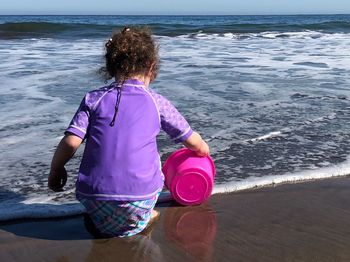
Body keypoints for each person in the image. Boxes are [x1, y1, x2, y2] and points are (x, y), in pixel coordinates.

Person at [48, 27, 210, 238]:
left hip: (93, 198)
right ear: (152, 66)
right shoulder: (157, 101)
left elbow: (71, 142)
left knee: (100, 217)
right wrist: (203, 149)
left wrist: (56, 168)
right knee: (144, 211)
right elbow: (191, 140)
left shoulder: (93, 98)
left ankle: (105, 222)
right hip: (140, 198)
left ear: (111, 66)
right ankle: (144, 220)